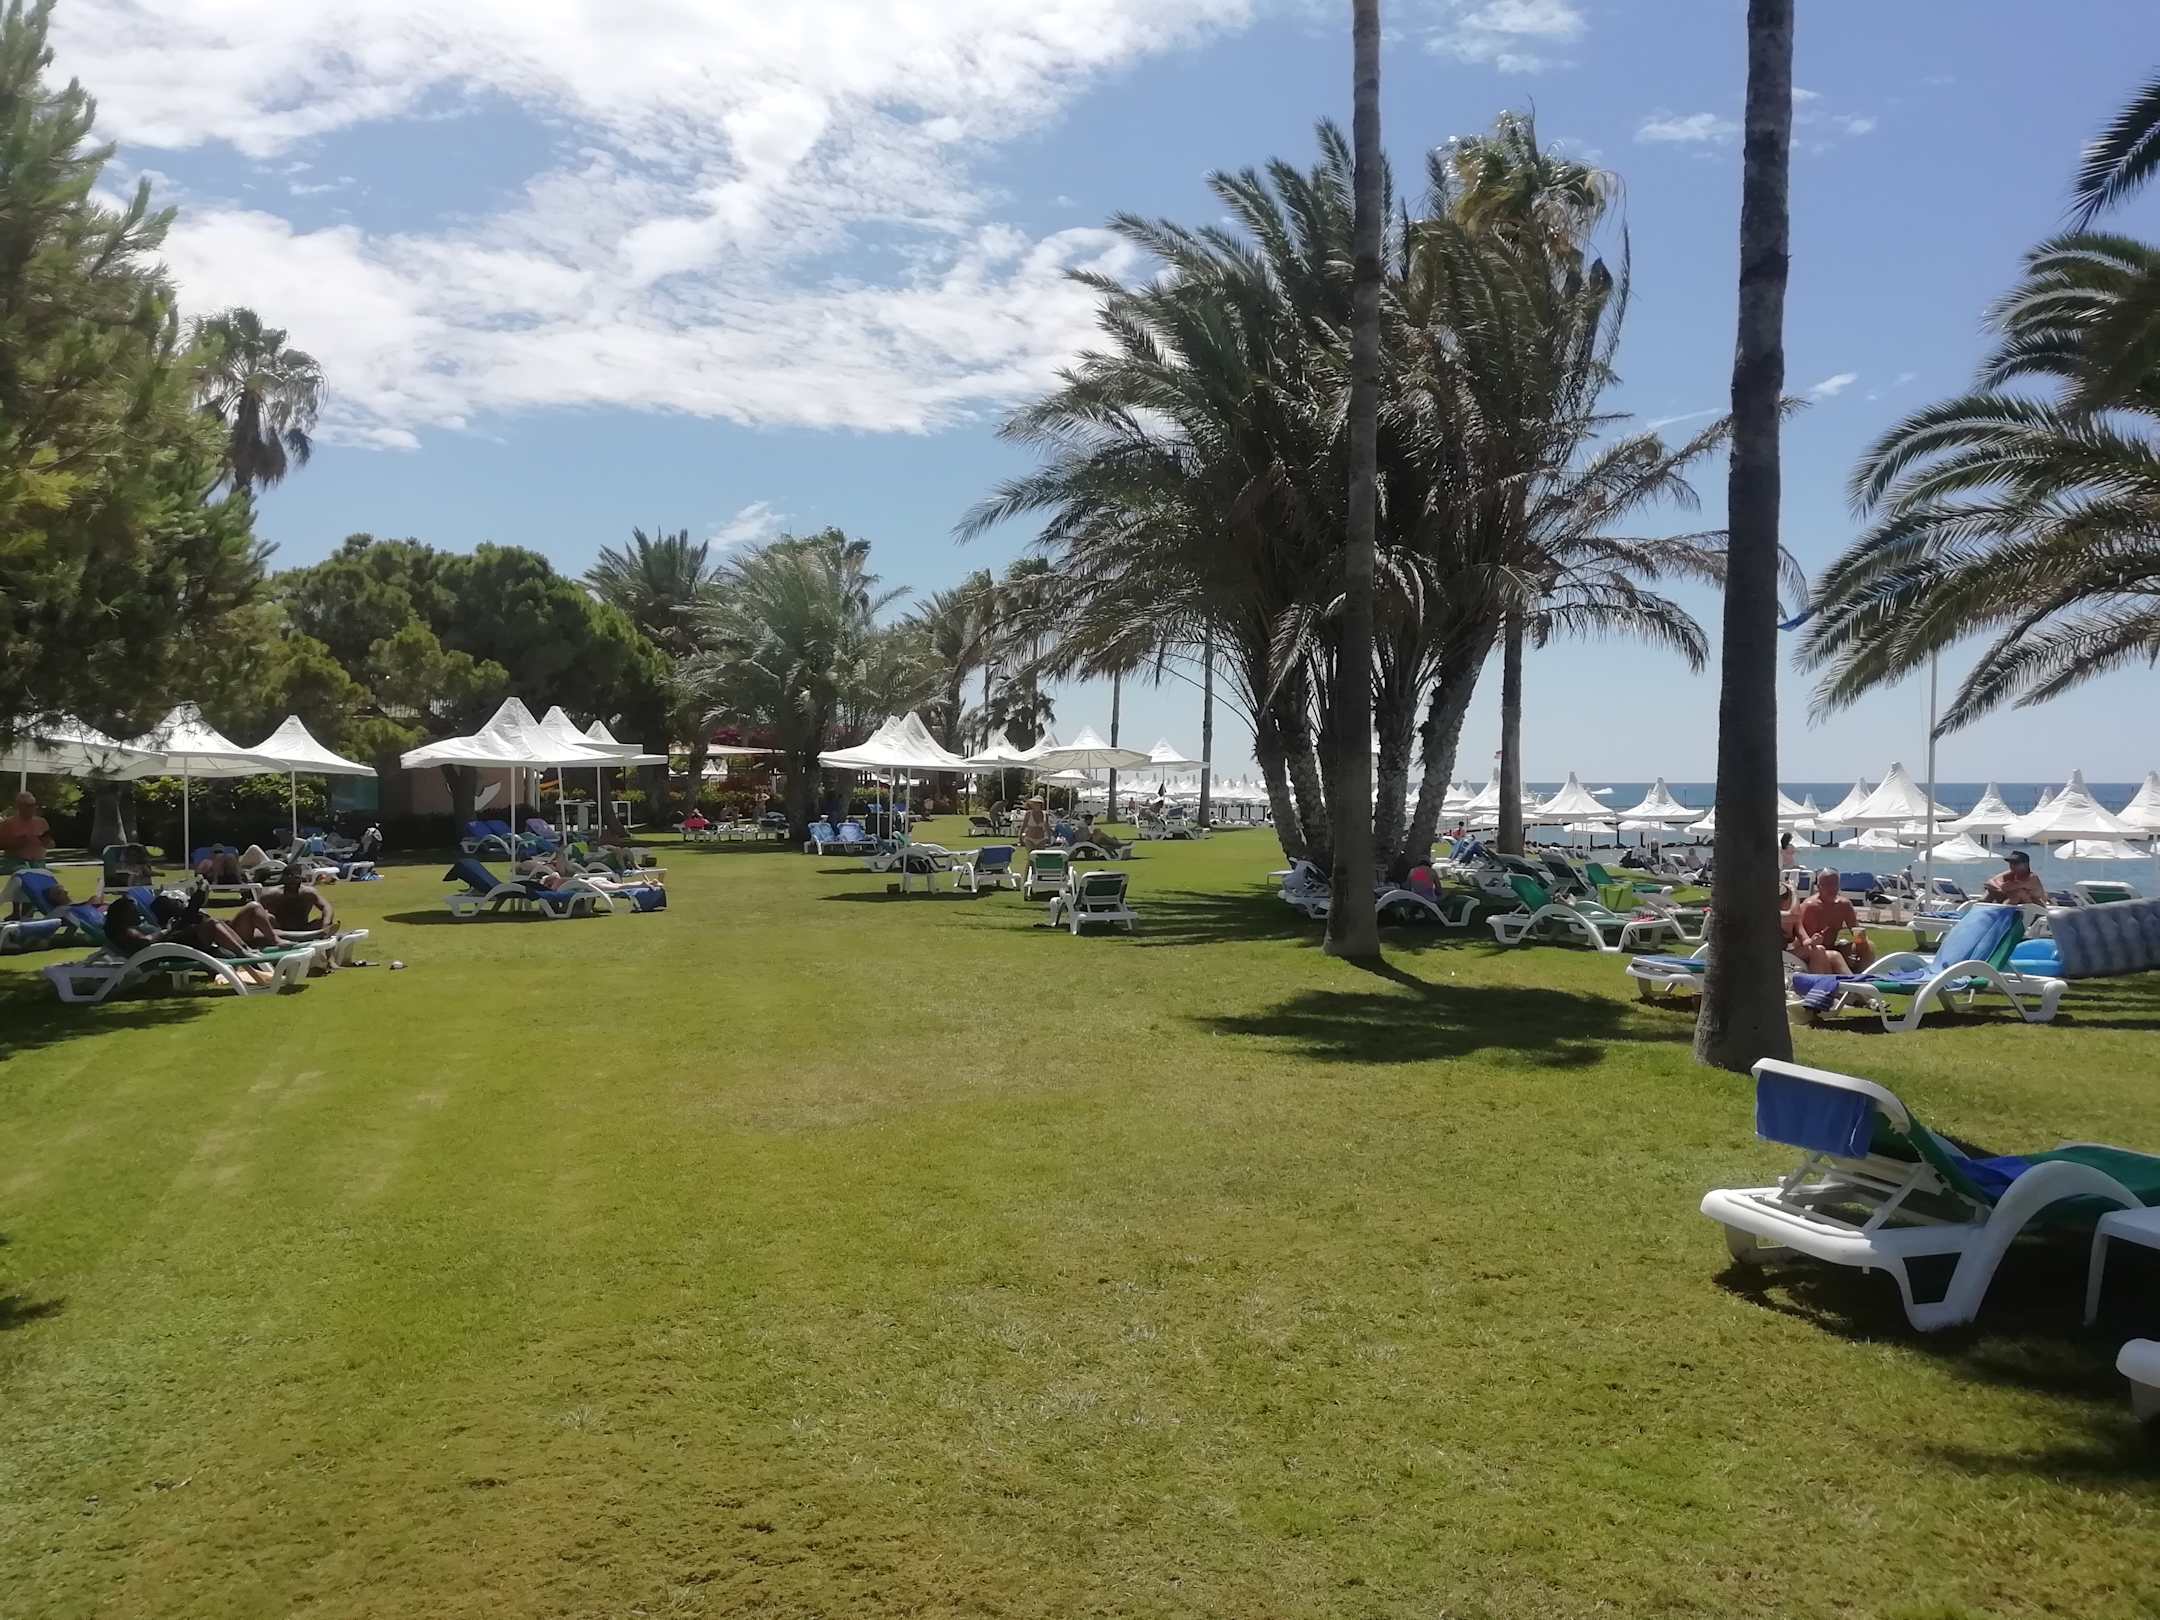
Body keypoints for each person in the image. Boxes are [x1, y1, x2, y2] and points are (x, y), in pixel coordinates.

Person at [1793, 869, 1873, 975]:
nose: (1832, 888)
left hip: (1832, 946)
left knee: (1868, 945)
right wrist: (1813, 941)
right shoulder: (1811, 907)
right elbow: (1806, 942)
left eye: (1834, 884)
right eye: (1827, 884)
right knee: (1834, 955)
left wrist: (1862, 942)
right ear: (1818, 887)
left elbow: (1856, 931)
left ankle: (1863, 975)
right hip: (1811, 949)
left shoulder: (1844, 905)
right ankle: (1852, 982)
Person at [264, 864, 336, 936]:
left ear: (300, 878)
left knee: (323, 920)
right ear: (284, 878)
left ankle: (323, 933)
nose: (293, 881)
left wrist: (326, 923)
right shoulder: (272, 894)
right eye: (290, 877)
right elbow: (259, 911)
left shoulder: (309, 893)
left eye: (296, 878)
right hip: (279, 928)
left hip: (304, 928)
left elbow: (326, 906)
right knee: (268, 917)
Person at [0, 790, 52, 865]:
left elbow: (50, 843)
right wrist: (15, 843)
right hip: (15, 863)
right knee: (22, 869)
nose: (32, 808)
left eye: (34, 805)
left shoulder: (42, 822)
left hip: (38, 863)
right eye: (28, 805)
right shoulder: (8, 823)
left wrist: (47, 842)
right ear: (19, 806)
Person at [1981, 849, 2049, 907]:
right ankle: (1980, 908)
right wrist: (1998, 888)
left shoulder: (2032, 878)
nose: (2012, 865)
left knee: (2018, 893)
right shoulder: (2011, 873)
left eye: (2016, 863)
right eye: (2011, 863)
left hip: (2036, 907)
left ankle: (2002, 912)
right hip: (2018, 906)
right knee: (1989, 891)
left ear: (2025, 864)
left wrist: (1998, 885)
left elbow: (2008, 887)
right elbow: (1989, 882)